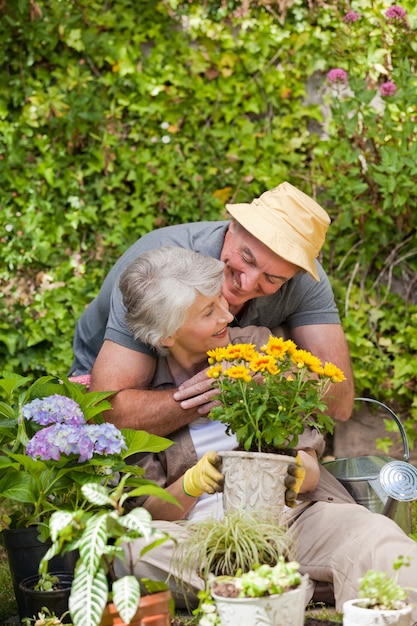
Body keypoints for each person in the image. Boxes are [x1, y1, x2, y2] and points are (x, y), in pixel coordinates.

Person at [114, 245, 417, 620]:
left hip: (293, 520)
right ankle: (290, 584)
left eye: (220, 301)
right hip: (203, 542)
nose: (228, 314)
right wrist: (191, 483)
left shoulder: (257, 347)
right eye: (209, 311)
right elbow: (148, 513)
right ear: (167, 336)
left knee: (376, 537)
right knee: (134, 552)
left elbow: (310, 453)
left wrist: (301, 472)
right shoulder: (143, 403)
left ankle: (272, 587)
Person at [69, 181, 354, 435]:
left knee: (282, 346)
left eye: (272, 279)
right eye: (247, 258)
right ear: (232, 226)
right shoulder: (161, 269)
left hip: (208, 384)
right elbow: (107, 411)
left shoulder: (306, 281)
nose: (246, 283)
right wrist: (223, 389)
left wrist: (268, 377)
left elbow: (339, 402)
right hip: (128, 383)